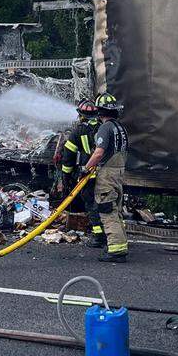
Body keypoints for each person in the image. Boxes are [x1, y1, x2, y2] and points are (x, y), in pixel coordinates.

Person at [81, 92, 129, 262]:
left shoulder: (105, 128)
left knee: (107, 211)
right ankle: (120, 245)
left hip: (107, 175)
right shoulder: (121, 128)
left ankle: (116, 251)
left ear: (100, 112)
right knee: (115, 211)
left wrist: (86, 168)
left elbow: (99, 152)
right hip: (119, 174)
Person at [55, 100, 104, 246]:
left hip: (87, 174)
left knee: (91, 204)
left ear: (81, 115)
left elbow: (68, 157)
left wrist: (66, 176)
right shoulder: (104, 127)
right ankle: (112, 233)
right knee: (107, 203)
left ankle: (99, 235)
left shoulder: (78, 131)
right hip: (106, 173)